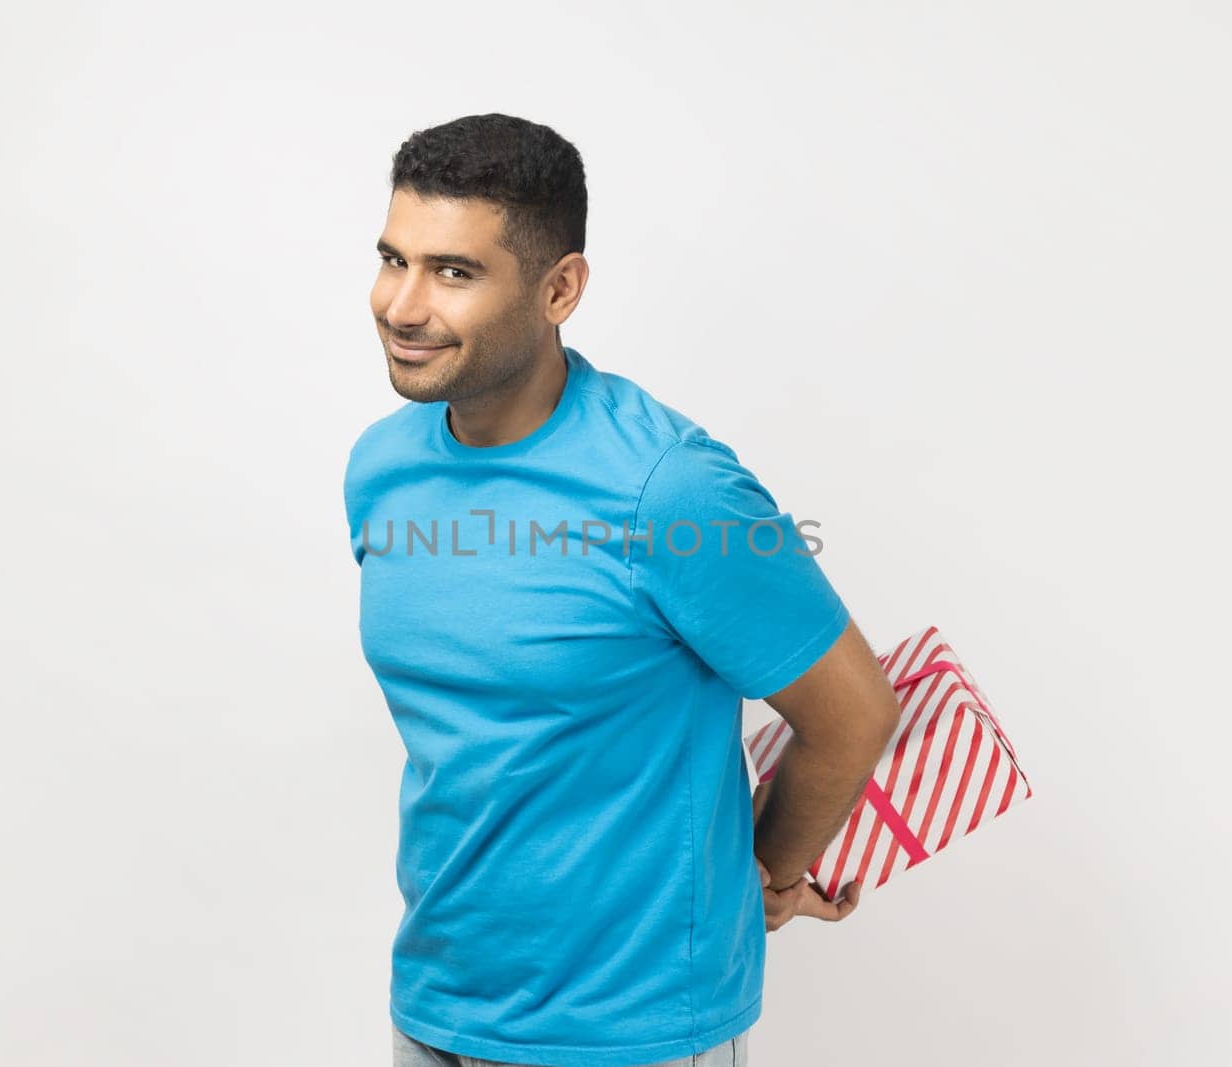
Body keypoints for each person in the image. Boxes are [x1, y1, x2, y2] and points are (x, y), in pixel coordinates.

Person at [345, 113, 902, 1067]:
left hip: (624, 1035)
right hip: (433, 1010)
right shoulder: (382, 468)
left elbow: (853, 711)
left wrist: (763, 874)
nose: (401, 304)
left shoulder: (668, 488)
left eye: (454, 272)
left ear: (559, 288)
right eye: (393, 259)